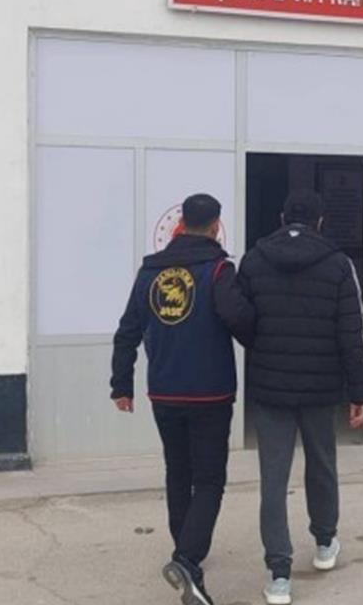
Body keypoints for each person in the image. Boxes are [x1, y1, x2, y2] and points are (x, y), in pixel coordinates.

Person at [111, 193, 254, 605]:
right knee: (209, 479)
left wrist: (121, 385)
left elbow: (127, 330)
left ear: (180, 224)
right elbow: (239, 319)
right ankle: (188, 560)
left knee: (178, 471)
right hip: (211, 393)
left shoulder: (150, 272)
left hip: (165, 391)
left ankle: (184, 549)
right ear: (215, 226)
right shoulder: (219, 270)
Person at [237, 190, 363, 605]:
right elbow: (351, 334)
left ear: (281, 218)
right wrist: (360, 391)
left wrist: (263, 346)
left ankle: (279, 574)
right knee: (322, 463)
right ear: (321, 221)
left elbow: (241, 319)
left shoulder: (253, 261)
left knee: (273, 480)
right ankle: (325, 542)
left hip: (270, 386)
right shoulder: (339, 265)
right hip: (320, 387)